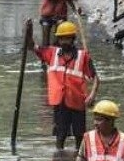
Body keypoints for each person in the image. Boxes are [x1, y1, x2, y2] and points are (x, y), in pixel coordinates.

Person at [30, 21, 99, 150]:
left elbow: (95, 78)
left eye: (67, 38)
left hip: (78, 102)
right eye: (61, 39)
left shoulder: (83, 56)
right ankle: (59, 160)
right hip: (60, 102)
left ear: (73, 39)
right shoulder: (52, 53)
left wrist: (92, 95)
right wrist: (29, 34)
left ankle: (79, 158)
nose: (64, 42)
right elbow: (33, 47)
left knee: (79, 135)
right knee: (60, 135)